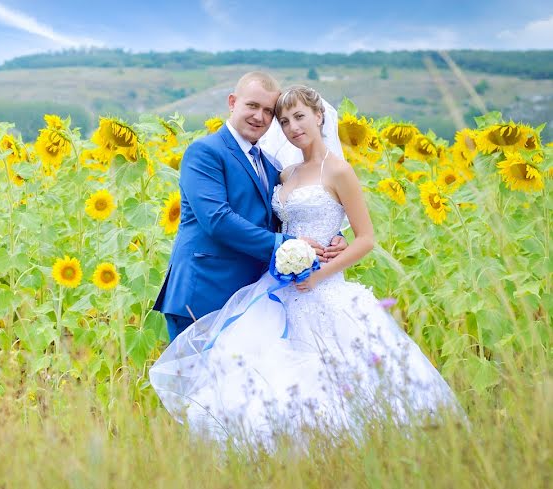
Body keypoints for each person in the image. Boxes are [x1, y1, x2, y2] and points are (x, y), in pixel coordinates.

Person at [149, 85, 458, 447]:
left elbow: (365, 238)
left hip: (320, 289)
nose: (291, 126)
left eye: (298, 117)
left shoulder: (337, 170)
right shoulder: (283, 172)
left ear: (319, 117)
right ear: (233, 104)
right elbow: (266, 224)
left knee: (336, 377)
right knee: (254, 380)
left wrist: (327, 261)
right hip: (271, 288)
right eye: (284, 120)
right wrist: (296, 247)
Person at [152, 72, 346, 342]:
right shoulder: (205, 152)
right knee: (198, 382)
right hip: (203, 292)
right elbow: (217, 219)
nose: (259, 117)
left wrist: (330, 238)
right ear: (233, 102)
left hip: (249, 297)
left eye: (268, 111)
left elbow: (286, 214)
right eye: (252, 106)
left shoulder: (269, 164)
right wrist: (287, 245)